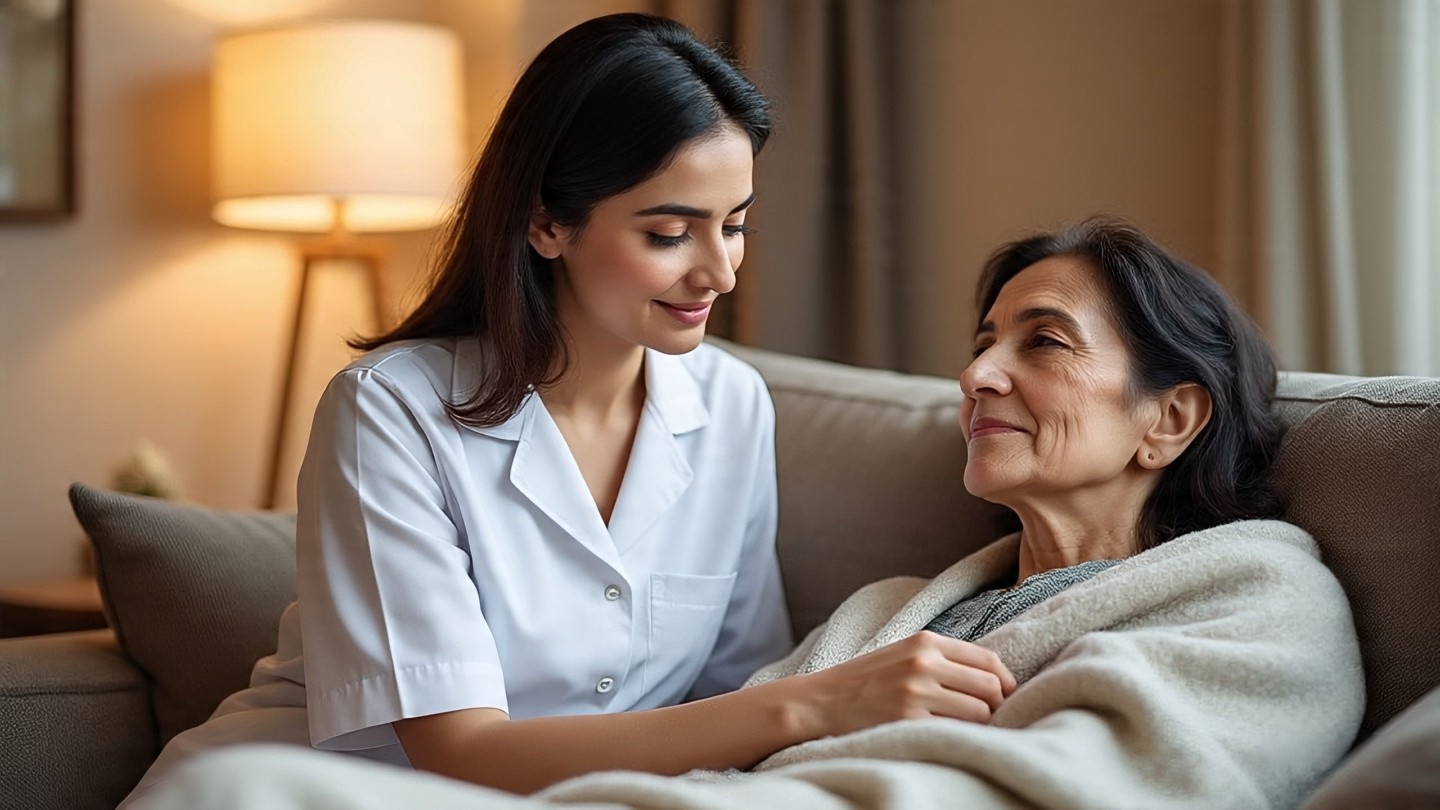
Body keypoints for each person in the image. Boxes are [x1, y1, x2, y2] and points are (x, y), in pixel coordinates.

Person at [121, 13, 1021, 805]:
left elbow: (728, 693)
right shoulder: (389, 412)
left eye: (735, 224)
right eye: (669, 234)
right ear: (547, 223)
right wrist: (819, 700)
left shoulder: (732, 405)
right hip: (314, 793)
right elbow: (459, 751)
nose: (719, 271)